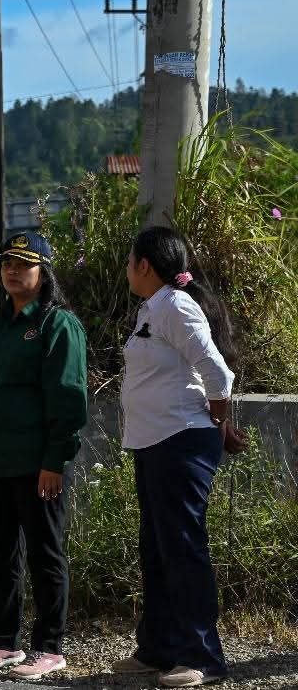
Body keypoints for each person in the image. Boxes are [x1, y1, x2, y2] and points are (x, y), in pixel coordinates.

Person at [0, 231, 87, 681]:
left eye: (23, 264)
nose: (11, 270)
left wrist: (54, 460)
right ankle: (3, 643)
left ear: (43, 273)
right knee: (1, 555)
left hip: (35, 462)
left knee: (45, 553)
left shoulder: (56, 324)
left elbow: (68, 399)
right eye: (6, 262)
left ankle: (49, 647)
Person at [111, 226, 246, 689]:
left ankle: (201, 656)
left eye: (130, 260)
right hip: (154, 443)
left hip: (180, 441)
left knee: (183, 549)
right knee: (158, 548)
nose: (128, 268)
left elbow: (217, 373)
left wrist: (217, 423)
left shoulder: (174, 305)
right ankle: (159, 649)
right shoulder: (153, 307)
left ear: (144, 265)